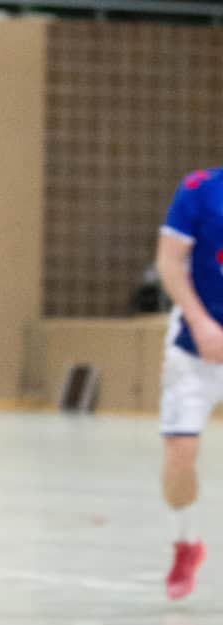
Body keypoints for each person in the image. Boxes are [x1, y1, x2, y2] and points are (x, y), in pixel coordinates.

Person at [154, 167, 223, 600]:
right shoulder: (200, 189)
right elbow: (169, 261)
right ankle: (185, 543)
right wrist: (200, 323)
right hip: (195, 347)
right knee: (181, 452)